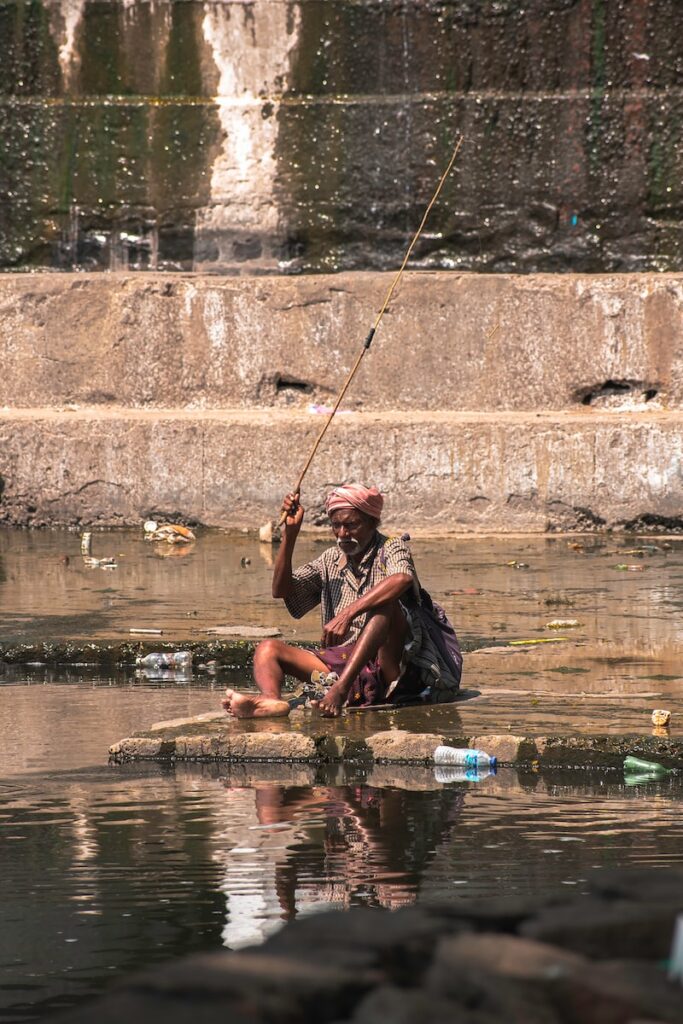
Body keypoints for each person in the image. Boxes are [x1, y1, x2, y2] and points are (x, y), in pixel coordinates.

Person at [222, 483, 462, 719]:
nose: (342, 534)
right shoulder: (330, 559)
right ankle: (271, 701)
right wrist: (290, 536)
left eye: (351, 525)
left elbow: (401, 579)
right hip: (340, 664)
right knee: (268, 649)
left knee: (385, 605)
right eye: (336, 526)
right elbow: (281, 590)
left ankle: (340, 690)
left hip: (389, 665)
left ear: (372, 522)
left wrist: (348, 614)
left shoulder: (391, 547)